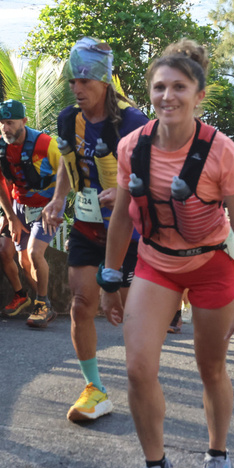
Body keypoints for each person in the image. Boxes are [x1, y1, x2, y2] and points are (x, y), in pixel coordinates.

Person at [99, 39, 234, 468]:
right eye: (159, 87)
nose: (168, 96)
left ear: (199, 95)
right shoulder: (132, 146)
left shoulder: (222, 151)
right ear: (149, 93)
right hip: (155, 263)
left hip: (212, 265)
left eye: (180, 87)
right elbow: (121, 220)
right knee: (137, 368)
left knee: (210, 367)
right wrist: (111, 280)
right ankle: (156, 465)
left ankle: (218, 455)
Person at [41, 37, 149, 422]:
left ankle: (143, 382)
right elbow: (67, 165)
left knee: (130, 313)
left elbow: (154, 174)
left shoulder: (134, 122)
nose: (77, 88)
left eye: (84, 81)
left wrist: (123, 191)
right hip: (88, 227)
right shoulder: (69, 119)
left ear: (104, 81)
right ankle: (94, 388)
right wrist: (57, 199)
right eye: (73, 81)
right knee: (81, 304)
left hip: (131, 234)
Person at [0, 99, 60, 328]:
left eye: (10, 123)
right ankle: (40, 300)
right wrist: (9, 216)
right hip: (19, 207)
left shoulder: (46, 144)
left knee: (33, 253)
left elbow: (69, 173)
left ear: (24, 121)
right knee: (22, 259)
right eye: (2, 123)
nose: (5, 128)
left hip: (46, 208)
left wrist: (57, 204)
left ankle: (41, 304)